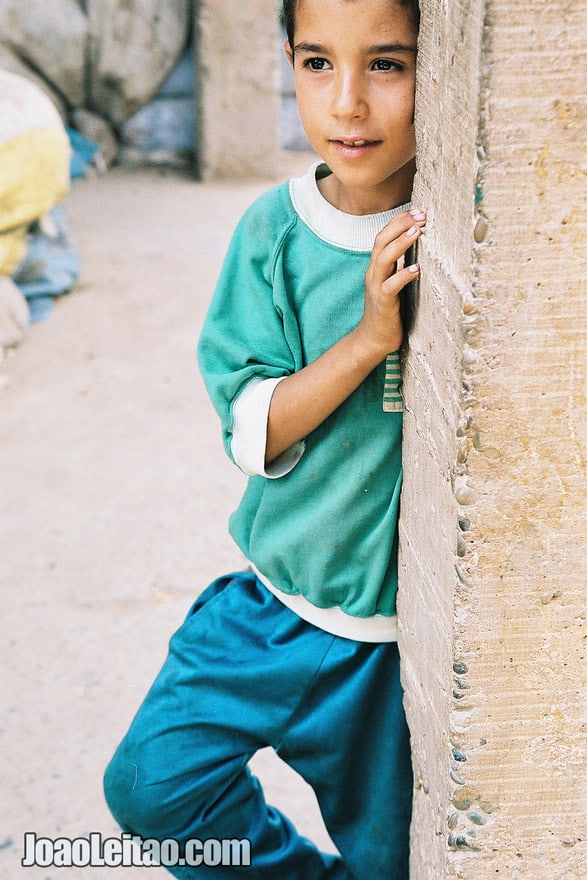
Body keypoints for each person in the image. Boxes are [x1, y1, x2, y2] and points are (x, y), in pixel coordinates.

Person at [103, 1, 425, 878]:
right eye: (318, 63)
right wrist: (365, 342)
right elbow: (251, 428)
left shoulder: (468, 228)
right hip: (273, 607)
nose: (348, 103)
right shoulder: (275, 236)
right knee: (153, 788)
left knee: (400, 861)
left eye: (386, 65)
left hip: (393, 659)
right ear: (286, 60)